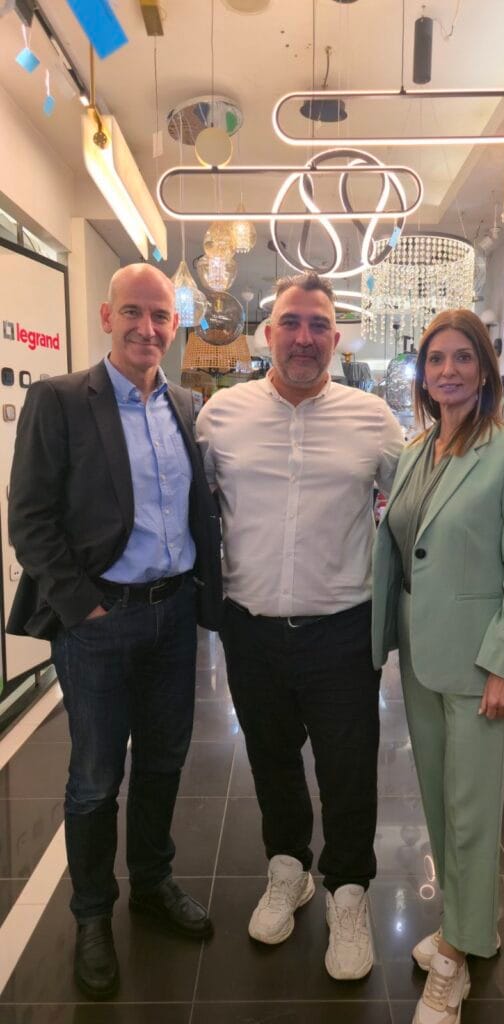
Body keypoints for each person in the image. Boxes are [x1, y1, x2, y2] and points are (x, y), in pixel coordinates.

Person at [7, 264, 222, 1000]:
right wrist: (82, 608)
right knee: (96, 778)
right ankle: (92, 914)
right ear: (107, 316)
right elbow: (30, 518)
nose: (147, 328)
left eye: (160, 316)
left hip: (174, 616)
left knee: (164, 761)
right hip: (100, 622)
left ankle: (153, 884)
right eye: (133, 311)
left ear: (175, 324)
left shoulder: (187, 404)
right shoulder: (62, 399)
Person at [196, 272, 404, 980]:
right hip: (250, 629)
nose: (304, 337)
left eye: (318, 325)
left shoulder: (372, 420)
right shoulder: (220, 416)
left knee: (348, 768)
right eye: (292, 322)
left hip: (343, 631)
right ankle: (289, 868)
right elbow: (188, 504)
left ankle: (349, 890)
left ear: (336, 338)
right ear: (268, 332)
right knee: (271, 758)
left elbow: (420, 504)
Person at [371, 309, 504, 1024]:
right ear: (422, 373)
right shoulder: (418, 449)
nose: (447, 370)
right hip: (423, 656)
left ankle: (454, 960)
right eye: (435, 359)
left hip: (482, 665)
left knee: (473, 816)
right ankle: (468, 927)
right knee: (442, 807)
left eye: (462, 358)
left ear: (485, 371)